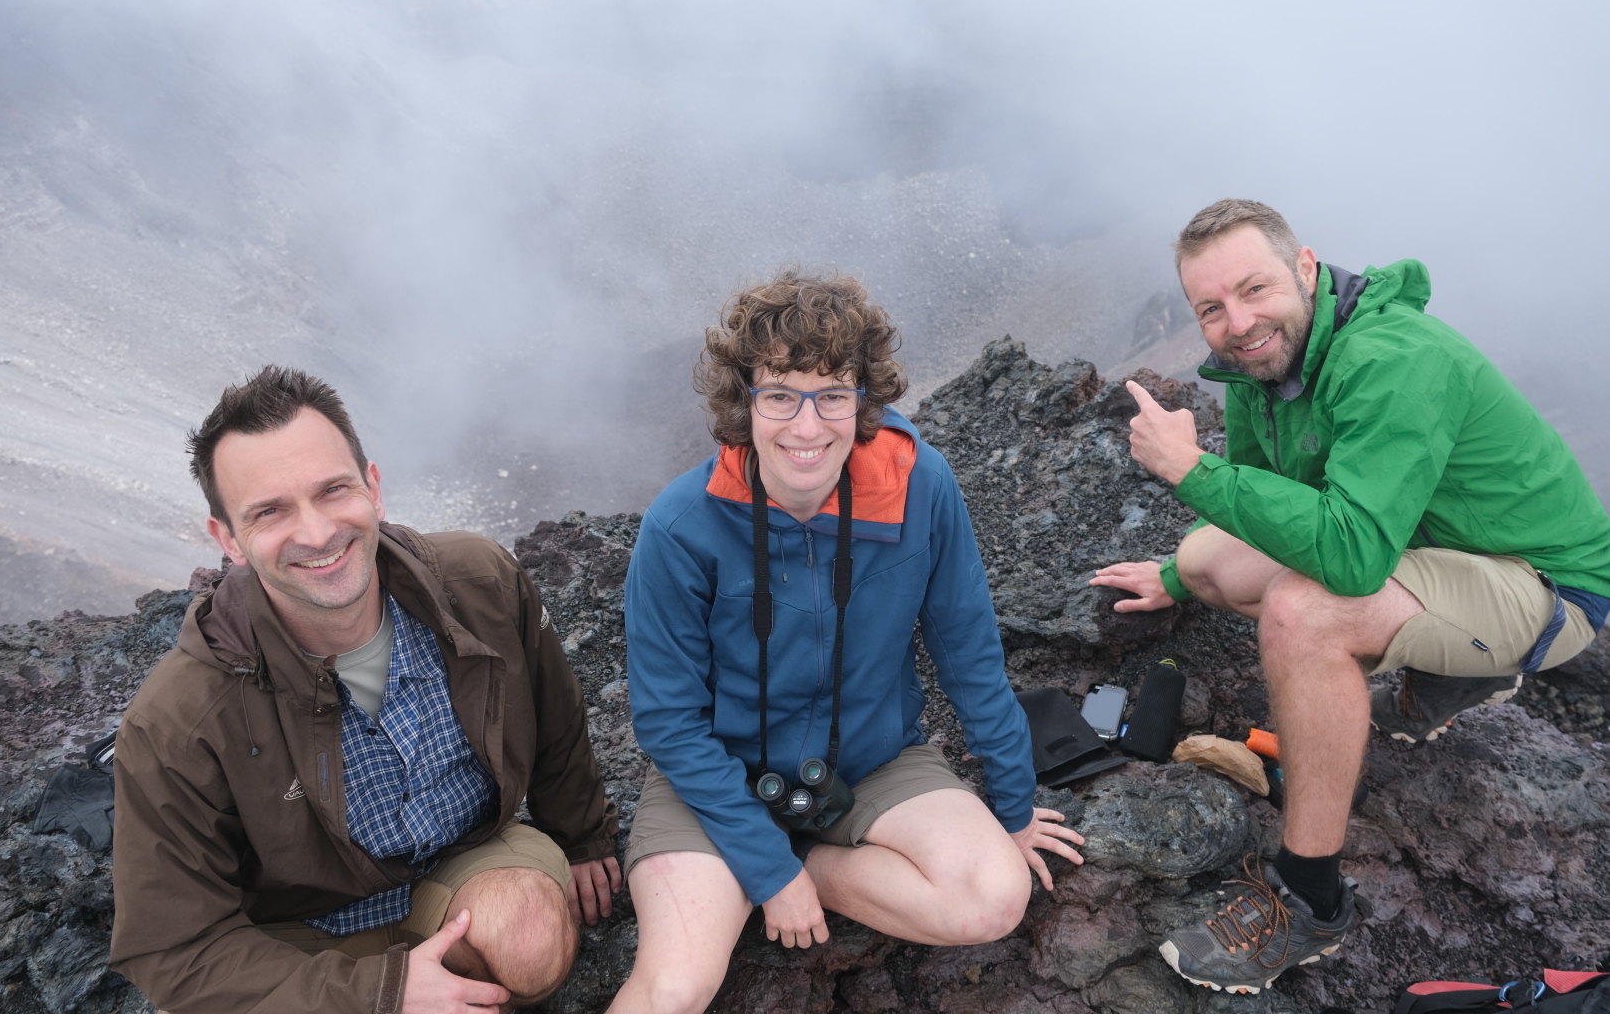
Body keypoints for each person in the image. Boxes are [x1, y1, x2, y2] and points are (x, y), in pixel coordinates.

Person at [1092, 200, 1610, 995]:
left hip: (1542, 585)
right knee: (1208, 562)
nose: (1238, 322)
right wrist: (1172, 576)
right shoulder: (1267, 363)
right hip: (1436, 551)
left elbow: (1353, 557)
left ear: (1305, 269)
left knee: (1306, 613)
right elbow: (1274, 501)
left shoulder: (1390, 357)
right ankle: (1452, 672)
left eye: (1254, 289)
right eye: (1212, 309)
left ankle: (1310, 897)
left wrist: (1190, 471)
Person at [610, 273, 1084, 1013]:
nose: (808, 427)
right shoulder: (680, 526)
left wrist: (1016, 810)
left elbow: (970, 657)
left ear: (864, 398)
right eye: (780, 396)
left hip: (871, 763)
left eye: (833, 394)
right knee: (674, 988)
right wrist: (768, 871)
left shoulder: (919, 486)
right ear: (745, 402)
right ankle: (754, 874)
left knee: (994, 897)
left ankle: (823, 866)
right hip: (715, 780)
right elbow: (669, 724)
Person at [109, 367, 622, 1014]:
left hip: (461, 857)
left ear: (373, 488)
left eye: (333, 490)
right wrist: (381, 994)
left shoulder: (480, 582)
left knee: (528, 939)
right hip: (300, 936)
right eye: (270, 511)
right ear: (228, 540)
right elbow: (176, 950)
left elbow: (553, 711)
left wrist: (582, 837)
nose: (318, 532)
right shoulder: (178, 720)